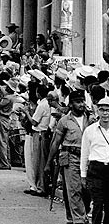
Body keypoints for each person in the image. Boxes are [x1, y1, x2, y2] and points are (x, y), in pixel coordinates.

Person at [46, 91, 93, 224]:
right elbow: (56, 143)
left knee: (86, 190)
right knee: (74, 189)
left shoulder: (90, 119)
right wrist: (48, 163)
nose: (82, 104)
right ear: (71, 104)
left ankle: (74, 216)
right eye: (78, 102)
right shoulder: (64, 121)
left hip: (88, 159)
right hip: (71, 157)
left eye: (82, 101)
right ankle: (79, 219)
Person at [81, 97, 109, 224]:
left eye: (108, 110)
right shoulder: (90, 130)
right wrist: (83, 174)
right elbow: (85, 153)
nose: (105, 113)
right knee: (97, 203)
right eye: (102, 110)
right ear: (97, 111)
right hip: (96, 170)